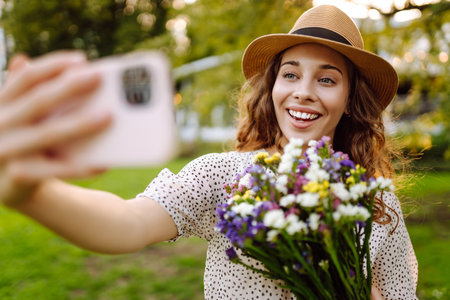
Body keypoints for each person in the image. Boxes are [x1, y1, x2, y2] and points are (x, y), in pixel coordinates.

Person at [0, 5, 418, 300]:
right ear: (273, 89)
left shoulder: (377, 202)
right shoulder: (225, 176)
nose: (303, 92)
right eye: (290, 74)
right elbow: (126, 223)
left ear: (349, 99)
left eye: (327, 80)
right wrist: (33, 194)